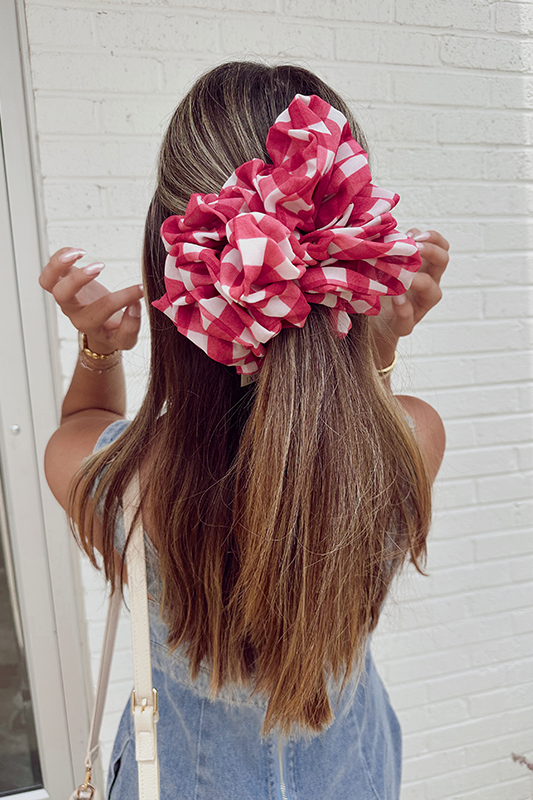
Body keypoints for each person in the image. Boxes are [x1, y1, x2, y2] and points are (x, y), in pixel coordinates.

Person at [41, 62, 448, 800]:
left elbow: (81, 427)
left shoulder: (123, 482)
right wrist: (380, 349)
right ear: (357, 254)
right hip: (354, 779)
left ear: (170, 264)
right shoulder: (414, 441)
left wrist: (99, 350)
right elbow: (355, 431)